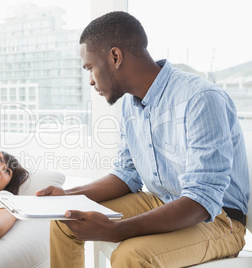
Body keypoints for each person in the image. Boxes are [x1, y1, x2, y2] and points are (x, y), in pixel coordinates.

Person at [36, 11, 249, 268]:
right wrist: (67, 196)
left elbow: (201, 200)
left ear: (115, 56)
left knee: (130, 254)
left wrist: (117, 229)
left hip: (217, 219)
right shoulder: (130, 106)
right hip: (160, 200)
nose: (90, 80)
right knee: (65, 220)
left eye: (90, 68)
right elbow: (127, 175)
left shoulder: (200, 98)